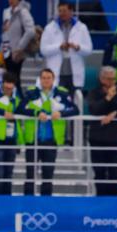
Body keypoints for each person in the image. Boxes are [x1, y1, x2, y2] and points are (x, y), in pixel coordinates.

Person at [18, 68, 78, 196]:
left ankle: (46, 204)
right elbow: (19, 109)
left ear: (53, 79)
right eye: (43, 78)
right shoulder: (31, 93)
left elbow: (75, 110)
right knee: (30, 174)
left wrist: (61, 113)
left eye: (48, 78)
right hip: (33, 140)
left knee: (48, 175)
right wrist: (36, 113)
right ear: (40, 79)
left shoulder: (61, 93)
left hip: (51, 140)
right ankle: (27, 204)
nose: (46, 80)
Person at [86, 65, 117, 196]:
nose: (111, 82)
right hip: (97, 138)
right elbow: (94, 109)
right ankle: (100, 200)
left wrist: (115, 114)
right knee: (100, 172)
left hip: (115, 139)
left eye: (113, 79)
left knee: (115, 172)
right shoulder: (94, 92)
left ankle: (113, 201)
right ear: (101, 79)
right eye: (108, 79)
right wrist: (107, 98)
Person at [40, 1, 93, 91]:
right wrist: (59, 47)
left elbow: (89, 50)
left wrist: (78, 48)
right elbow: (43, 50)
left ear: (71, 11)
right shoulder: (49, 28)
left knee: (75, 102)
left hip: (74, 74)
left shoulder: (82, 28)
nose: (61, 14)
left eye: (64, 11)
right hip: (56, 73)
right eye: (60, 11)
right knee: (57, 102)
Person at [0, 0, 36, 82]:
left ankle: (17, 94)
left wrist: (19, 47)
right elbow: (5, 31)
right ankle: (12, 94)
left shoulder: (23, 12)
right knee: (9, 78)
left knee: (14, 78)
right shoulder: (6, 12)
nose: (10, 0)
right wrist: (1, 49)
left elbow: (31, 31)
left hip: (16, 52)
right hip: (6, 50)